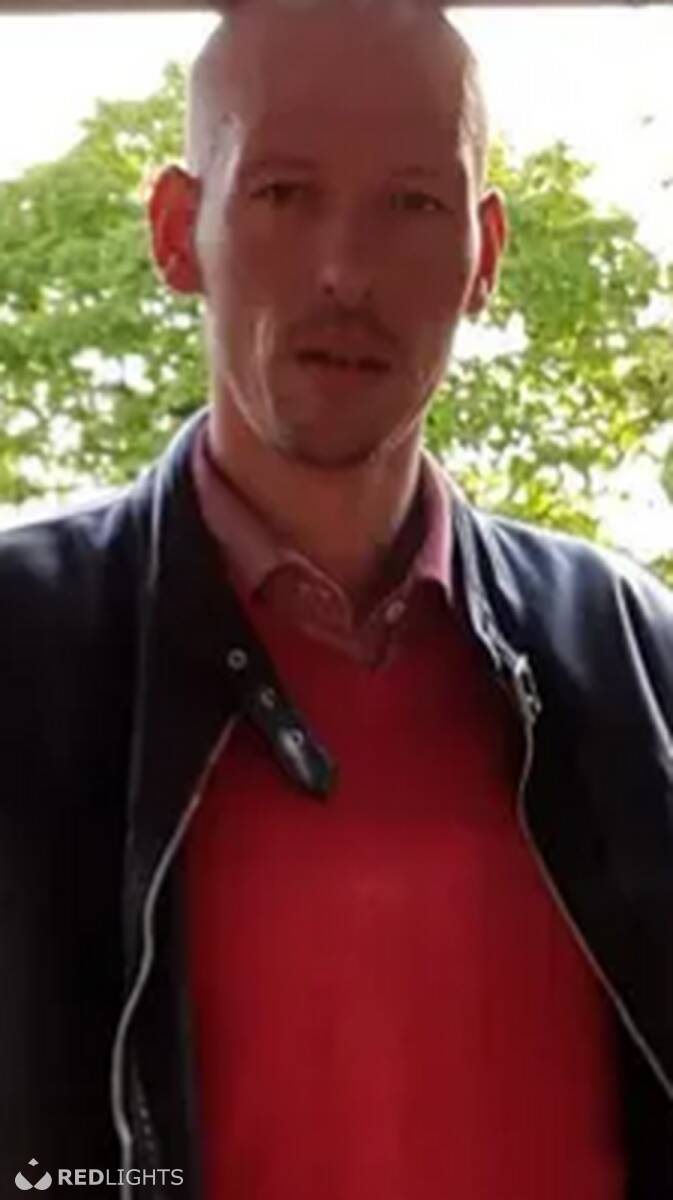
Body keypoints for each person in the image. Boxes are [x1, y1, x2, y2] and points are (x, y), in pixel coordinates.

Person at [1, 0, 672, 1197]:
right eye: (282, 193)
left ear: (484, 255)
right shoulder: (23, 648)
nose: (346, 272)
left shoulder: (626, 649)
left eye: (412, 203)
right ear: (177, 232)